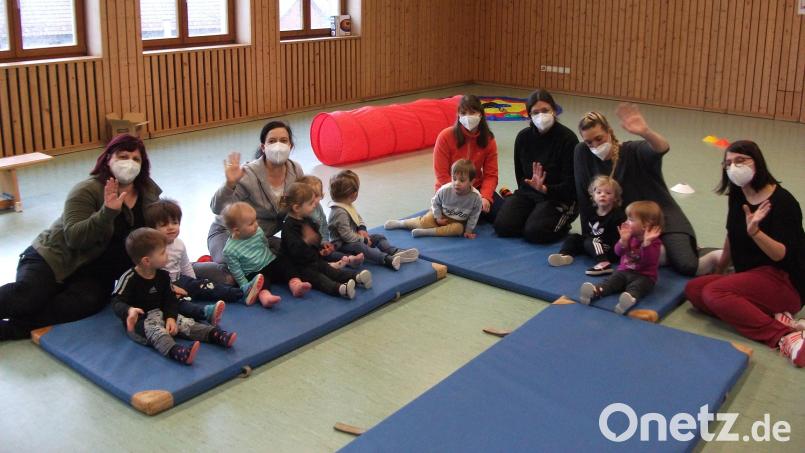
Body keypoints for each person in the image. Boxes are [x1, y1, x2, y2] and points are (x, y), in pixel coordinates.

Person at [0, 134, 162, 341]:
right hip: (53, 257)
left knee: (83, 305)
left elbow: (149, 239)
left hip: (95, 273)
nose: (129, 163)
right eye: (123, 156)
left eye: (135, 158)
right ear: (108, 159)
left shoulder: (148, 194)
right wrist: (107, 212)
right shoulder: (87, 189)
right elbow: (75, 238)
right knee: (29, 297)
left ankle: (10, 330)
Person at [684, 140, 805, 367]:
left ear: (756, 162)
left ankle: (785, 336)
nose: (733, 167)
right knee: (695, 290)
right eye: (728, 163)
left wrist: (756, 232)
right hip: (755, 279)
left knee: (714, 294)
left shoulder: (783, 202)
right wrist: (720, 270)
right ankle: (774, 316)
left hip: (786, 282)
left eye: (740, 160)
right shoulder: (738, 195)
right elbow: (731, 234)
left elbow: (781, 255)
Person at [574, 105, 705, 276]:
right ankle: (658, 251)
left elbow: (662, 148)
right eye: (589, 142)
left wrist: (645, 132)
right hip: (631, 225)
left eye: (599, 138)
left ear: (609, 132)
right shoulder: (583, 153)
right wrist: (590, 235)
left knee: (686, 265)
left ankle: (712, 254)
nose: (595, 145)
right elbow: (584, 196)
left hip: (662, 218)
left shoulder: (632, 150)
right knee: (621, 256)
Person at [112, 228, 236, 366]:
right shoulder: (129, 278)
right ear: (146, 261)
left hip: (162, 313)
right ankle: (177, 351)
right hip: (141, 321)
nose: (167, 256)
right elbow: (116, 302)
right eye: (163, 253)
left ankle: (215, 334)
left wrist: (170, 317)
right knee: (157, 332)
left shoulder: (163, 275)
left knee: (186, 322)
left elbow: (170, 299)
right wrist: (129, 311)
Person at [207, 121, 304, 264]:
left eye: (283, 141)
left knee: (295, 258)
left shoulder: (296, 171)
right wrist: (229, 184)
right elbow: (217, 208)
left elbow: (304, 205)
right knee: (231, 271)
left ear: (290, 146)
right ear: (263, 147)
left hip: (259, 237)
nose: (278, 145)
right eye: (272, 141)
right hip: (228, 233)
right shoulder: (247, 173)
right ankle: (200, 267)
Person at [494, 89, 579, 243]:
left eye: (545, 110)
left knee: (535, 233)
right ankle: (535, 216)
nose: (541, 116)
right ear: (529, 115)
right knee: (502, 226)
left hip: (560, 198)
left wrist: (545, 189)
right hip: (530, 194)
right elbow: (520, 176)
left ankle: (560, 223)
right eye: (535, 112)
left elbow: (572, 186)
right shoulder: (523, 138)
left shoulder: (568, 139)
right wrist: (532, 190)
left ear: (554, 110)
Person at [145, 198, 247, 325]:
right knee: (179, 303)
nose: (171, 227)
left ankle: (241, 293)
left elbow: (185, 265)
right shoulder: (151, 249)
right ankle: (205, 313)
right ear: (152, 229)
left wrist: (194, 282)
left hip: (180, 279)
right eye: (164, 225)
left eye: (175, 223)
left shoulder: (179, 244)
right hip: (163, 288)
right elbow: (149, 276)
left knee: (207, 285)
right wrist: (171, 288)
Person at [281, 183, 372, 299]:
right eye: (311, 204)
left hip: (313, 259)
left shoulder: (307, 219)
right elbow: (294, 251)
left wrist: (320, 248)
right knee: (319, 278)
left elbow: (316, 237)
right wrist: (307, 240)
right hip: (298, 267)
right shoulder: (288, 226)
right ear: (297, 208)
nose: (315, 205)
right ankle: (339, 289)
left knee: (331, 271)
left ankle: (357, 277)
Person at [579, 201, 664, 315]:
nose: (626, 222)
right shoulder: (629, 236)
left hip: (644, 276)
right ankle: (595, 292)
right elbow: (617, 252)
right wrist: (623, 241)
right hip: (624, 271)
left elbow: (647, 261)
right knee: (611, 282)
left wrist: (646, 243)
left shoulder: (655, 243)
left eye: (631, 220)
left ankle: (629, 300)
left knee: (638, 286)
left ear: (646, 225)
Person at [222, 202, 311, 307]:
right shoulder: (230, 250)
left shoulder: (258, 231)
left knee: (284, 262)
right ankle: (265, 297)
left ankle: (295, 284)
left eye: (256, 220)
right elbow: (236, 270)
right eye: (251, 223)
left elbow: (265, 244)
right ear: (236, 230)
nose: (256, 224)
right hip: (254, 271)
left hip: (269, 261)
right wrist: (245, 286)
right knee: (260, 282)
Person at [328, 170, 419, 270]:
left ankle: (394, 251)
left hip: (355, 237)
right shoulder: (339, 212)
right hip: (342, 245)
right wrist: (364, 240)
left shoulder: (346, 204)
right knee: (361, 247)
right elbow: (347, 236)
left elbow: (357, 218)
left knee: (378, 237)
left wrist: (362, 229)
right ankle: (386, 259)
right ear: (354, 194)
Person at [433, 94, 501, 221]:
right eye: (463, 113)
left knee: (503, 217)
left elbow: (491, 175)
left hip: (477, 188)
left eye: (472, 112)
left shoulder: (489, 140)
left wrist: (485, 197)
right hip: (451, 188)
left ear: (480, 114)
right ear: (458, 115)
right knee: (453, 220)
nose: (468, 117)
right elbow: (441, 174)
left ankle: (504, 195)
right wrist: (461, 194)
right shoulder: (445, 137)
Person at [385, 159, 483, 238]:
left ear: (471, 182)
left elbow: (474, 215)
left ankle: (427, 232)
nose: (457, 183)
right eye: (454, 178)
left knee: (459, 229)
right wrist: (438, 217)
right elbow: (435, 202)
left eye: (462, 180)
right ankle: (401, 223)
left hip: (457, 221)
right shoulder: (445, 190)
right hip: (441, 214)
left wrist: (468, 231)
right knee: (425, 221)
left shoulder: (476, 197)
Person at [549, 176, 626, 275]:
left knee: (591, 240)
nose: (603, 195)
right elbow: (588, 233)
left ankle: (604, 263)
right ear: (593, 195)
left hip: (609, 249)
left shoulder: (618, 216)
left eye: (608, 193)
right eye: (599, 192)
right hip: (592, 244)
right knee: (574, 237)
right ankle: (564, 255)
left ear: (615, 198)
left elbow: (617, 240)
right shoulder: (590, 211)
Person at [296, 175, 364, 269]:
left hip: (320, 243)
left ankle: (349, 257)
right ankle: (349, 260)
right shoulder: (301, 213)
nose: (315, 200)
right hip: (308, 250)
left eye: (317, 195)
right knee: (328, 255)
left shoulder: (318, 207)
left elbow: (324, 225)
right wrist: (318, 247)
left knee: (332, 250)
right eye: (311, 197)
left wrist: (325, 241)